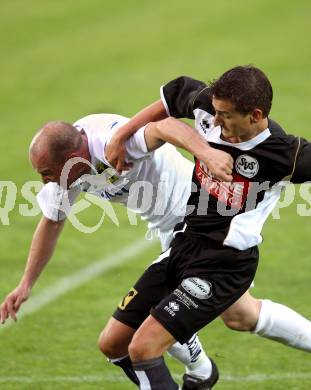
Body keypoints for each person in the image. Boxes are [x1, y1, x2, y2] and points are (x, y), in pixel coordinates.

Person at [101, 65, 311, 389]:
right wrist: (121, 134)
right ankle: (203, 373)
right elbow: (172, 96)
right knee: (113, 342)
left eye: (225, 115)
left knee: (144, 347)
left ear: (255, 115)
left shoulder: (286, 153)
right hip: (184, 245)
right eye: (214, 111)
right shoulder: (209, 111)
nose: (215, 121)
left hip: (224, 264)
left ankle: (200, 372)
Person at [0, 113, 233, 389]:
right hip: (169, 231)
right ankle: (202, 371)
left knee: (132, 336)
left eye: (47, 173)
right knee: (239, 316)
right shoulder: (65, 170)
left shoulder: (113, 142)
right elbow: (52, 220)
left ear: (72, 158)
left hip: (198, 222)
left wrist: (207, 154)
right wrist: (26, 283)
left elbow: (166, 126)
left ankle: (201, 371)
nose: (43, 182)